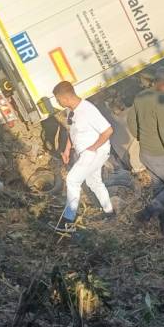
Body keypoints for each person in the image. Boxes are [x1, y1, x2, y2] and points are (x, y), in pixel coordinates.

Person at [127, 67, 164, 234]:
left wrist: (142, 136)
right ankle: (146, 213)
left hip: (146, 153)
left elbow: (131, 121)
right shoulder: (163, 101)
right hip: (162, 154)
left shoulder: (141, 96)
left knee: (160, 188)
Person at [52, 81, 114, 235]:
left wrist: (92, 149)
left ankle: (68, 222)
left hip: (95, 152)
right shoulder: (71, 111)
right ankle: (110, 212)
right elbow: (73, 132)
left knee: (72, 180)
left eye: (58, 100)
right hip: (85, 152)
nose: (58, 103)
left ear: (65, 98)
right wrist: (67, 149)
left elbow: (108, 131)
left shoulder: (88, 110)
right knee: (94, 182)